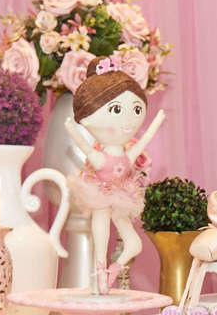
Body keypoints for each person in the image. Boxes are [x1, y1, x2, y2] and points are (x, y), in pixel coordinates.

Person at [65, 60, 166, 293]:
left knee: (133, 242)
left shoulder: (126, 156)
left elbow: (143, 140)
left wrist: (158, 121)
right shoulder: (102, 158)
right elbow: (85, 146)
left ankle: (111, 269)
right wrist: (72, 129)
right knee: (99, 231)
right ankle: (101, 275)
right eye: (117, 110)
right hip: (100, 192)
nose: (129, 120)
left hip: (121, 194)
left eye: (137, 110)